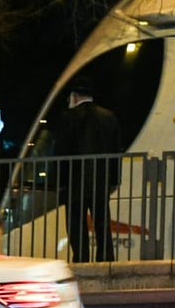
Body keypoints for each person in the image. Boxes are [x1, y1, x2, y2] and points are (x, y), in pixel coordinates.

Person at [52, 77, 123, 263]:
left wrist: (60, 182)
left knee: (76, 223)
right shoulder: (109, 117)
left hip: (74, 183)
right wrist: (114, 180)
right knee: (102, 221)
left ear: (74, 97)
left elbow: (60, 152)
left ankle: (81, 258)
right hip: (101, 181)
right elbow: (117, 151)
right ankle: (106, 258)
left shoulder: (68, 118)